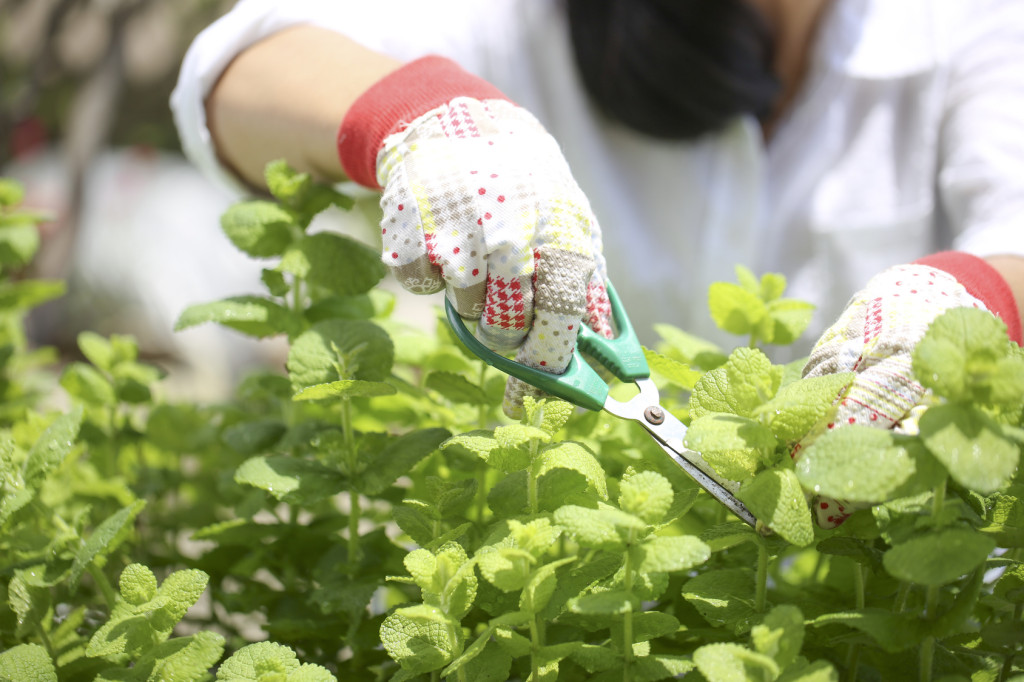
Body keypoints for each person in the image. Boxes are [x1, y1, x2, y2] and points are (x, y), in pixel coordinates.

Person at [171, 0, 1024, 522]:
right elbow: (234, 72)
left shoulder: (969, 17)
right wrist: (418, 115)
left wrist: (981, 300)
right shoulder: (516, 13)